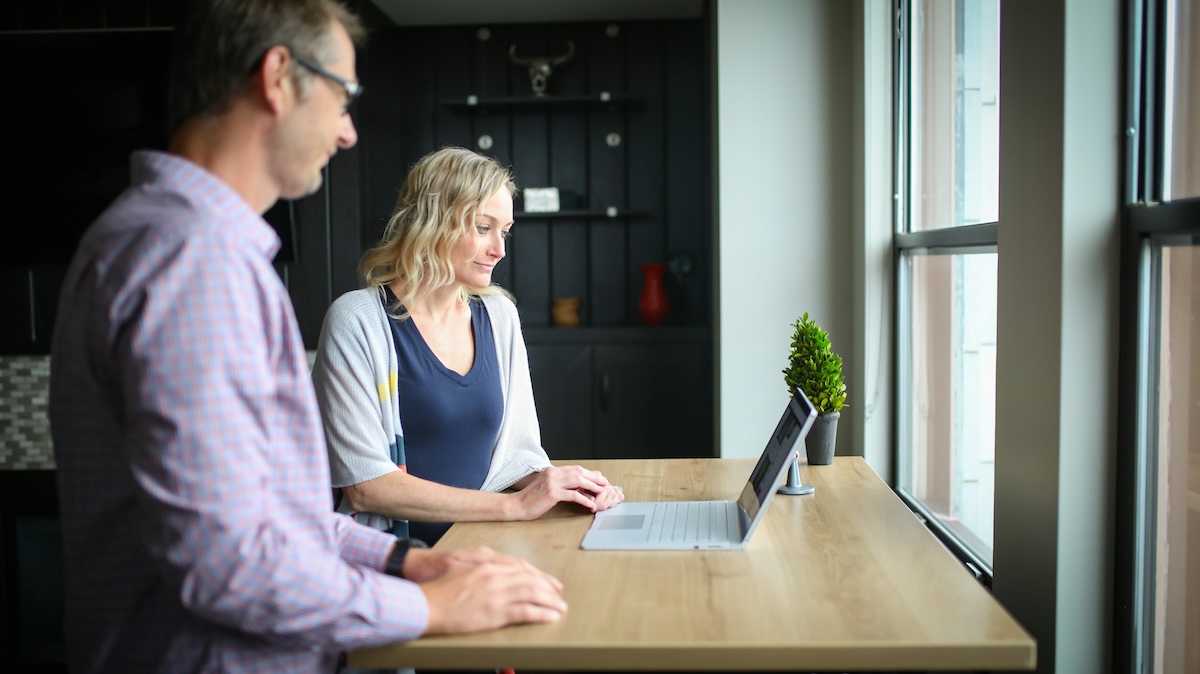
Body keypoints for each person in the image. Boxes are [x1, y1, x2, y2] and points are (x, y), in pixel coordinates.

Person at [47, 3, 567, 673]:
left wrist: (408, 561)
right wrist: (430, 608)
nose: (347, 131)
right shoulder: (192, 261)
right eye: (342, 96)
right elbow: (229, 565)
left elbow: (270, 516)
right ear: (277, 77)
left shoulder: (176, 242)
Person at [312, 147, 624, 545]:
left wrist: (561, 484)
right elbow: (365, 486)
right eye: (482, 227)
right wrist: (514, 506)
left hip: (484, 542)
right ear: (431, 222)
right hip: (394, 558)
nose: (500, 249)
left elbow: (516, 454)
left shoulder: (499, 316)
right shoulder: (356, 321)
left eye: (504, 231)